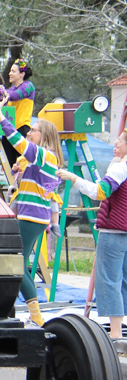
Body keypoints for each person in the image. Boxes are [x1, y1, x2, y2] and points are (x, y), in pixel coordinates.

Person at [0, 95, 61, 327]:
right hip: (33, 217)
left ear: (46, 137)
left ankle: (36, 318)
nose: (30, 133)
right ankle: (21, 311)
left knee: (17, 265)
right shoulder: (45, 160)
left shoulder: (46, 156)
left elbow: (18, 143)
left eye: (34, 130)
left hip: (31, 218)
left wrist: (0, 115)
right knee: (14, 263)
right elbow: (45, 191)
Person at [58, 131, 127, 341]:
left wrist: (74, 178)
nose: (116, 142)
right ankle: (119, 326)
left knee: (108, 279)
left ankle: (115, 332)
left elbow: (100, 192)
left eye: (121, 140)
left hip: (114, 230)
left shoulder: (120, 167)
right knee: (122, 280)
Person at [2, 59, 36, 168]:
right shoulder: (11, 89)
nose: (9, 73)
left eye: (13, 71)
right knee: (11, 165)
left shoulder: (28, 86)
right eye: (10, 71)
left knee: (23, 164)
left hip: (22, 128)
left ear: (22, 74)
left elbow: (16, 95)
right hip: (10, 130)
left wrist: (0, 89)